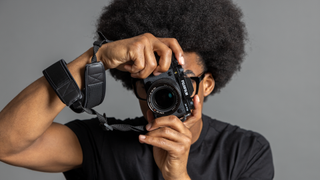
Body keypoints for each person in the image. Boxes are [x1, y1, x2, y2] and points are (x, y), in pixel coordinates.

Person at [0, 0, 274, 179]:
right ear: (136, 84)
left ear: (207, 84)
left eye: (180, 81)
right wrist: (95, 59)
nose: (166, 93)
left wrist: (176, 175)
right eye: (152, 83)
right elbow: (6, 145)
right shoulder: (101, 142)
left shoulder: (246, 151)